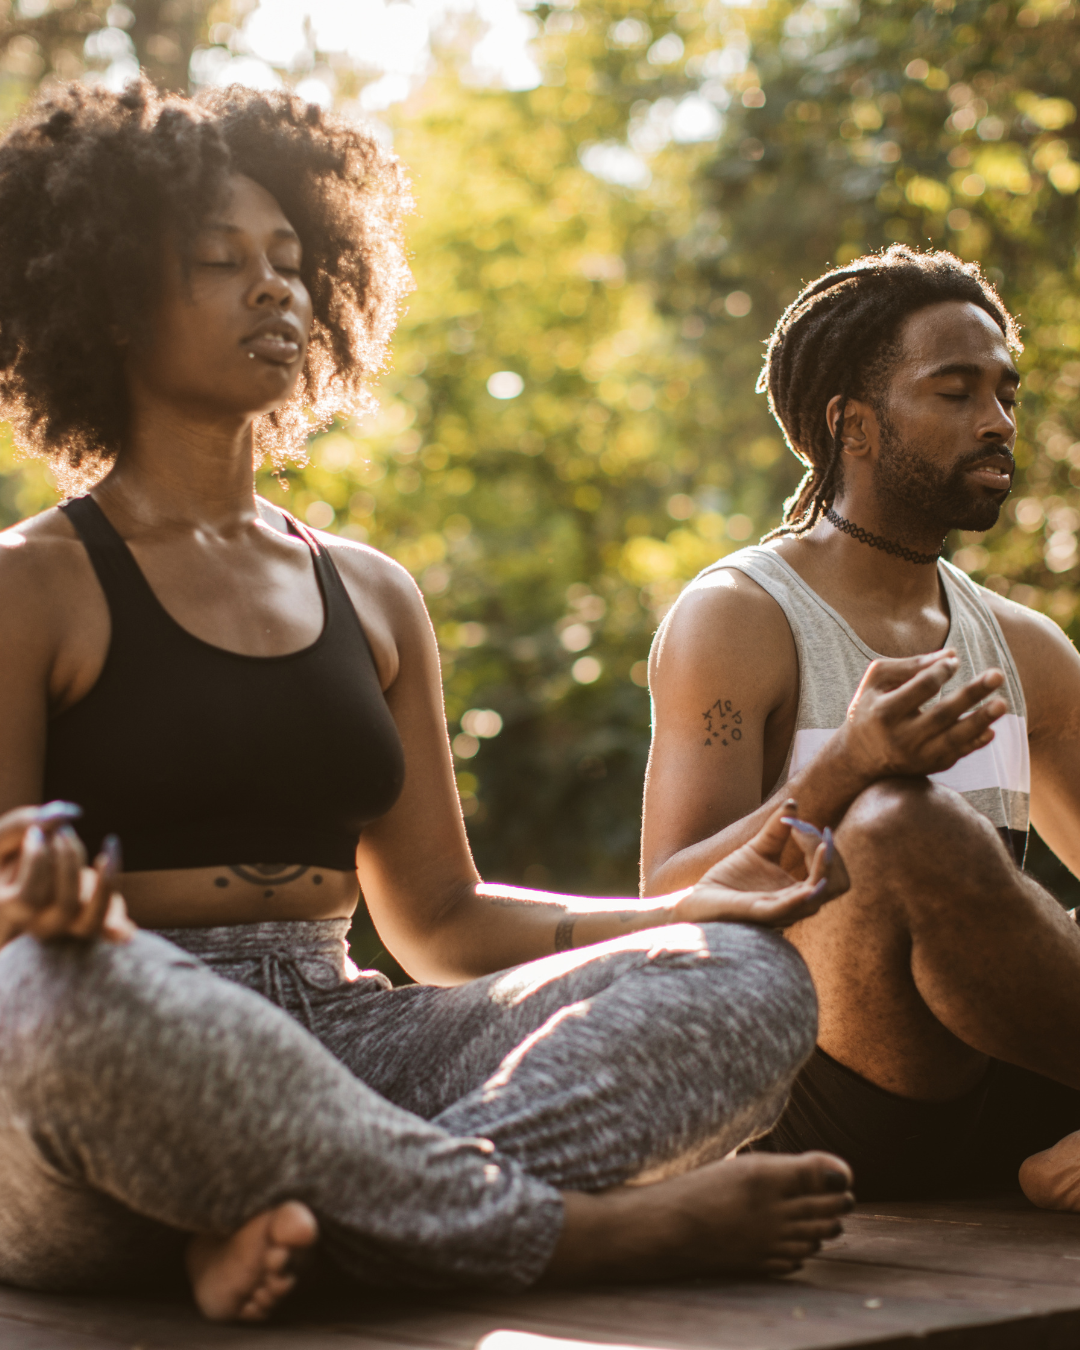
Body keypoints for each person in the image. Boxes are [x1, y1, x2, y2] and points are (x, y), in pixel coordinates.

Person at [0, 79, 854, 1320]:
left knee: (742, 973)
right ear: (111, 301)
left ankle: (335, 1235)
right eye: (220, 261)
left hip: (345, 1039)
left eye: (292, 260)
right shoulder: (33, 585)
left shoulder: (372, 592)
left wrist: (680, 907)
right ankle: (569, 1236)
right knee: (61, 1000)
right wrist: (36, 909)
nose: (275, 289)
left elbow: (441, 921)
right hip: (117, 1041)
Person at [642, 243, 1080, 1208]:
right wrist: (849, 766)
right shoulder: (742, 617)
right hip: (828, 1094)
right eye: (955, 392)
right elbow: (669, 897)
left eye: (1006, 392)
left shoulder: (1024, 648)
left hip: (1011, 1091)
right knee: (895, 828)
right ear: (854, 424)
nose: (999, 423)